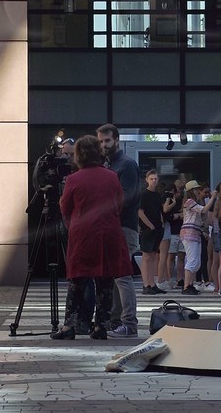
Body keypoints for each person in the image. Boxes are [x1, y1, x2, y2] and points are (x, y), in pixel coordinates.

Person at [54, 135, 136, 340]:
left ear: (79, 155)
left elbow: (65, 208)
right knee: (105, 280)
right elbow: (118, 204)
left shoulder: (74, 178)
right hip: (109, 233)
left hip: (83, 234)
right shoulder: (111, 176)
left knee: (77, 281)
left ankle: (70, 326)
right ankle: (101, 326)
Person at [96, 124, 141, 337]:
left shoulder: (127, 165)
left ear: (117, 140)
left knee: (121, 275)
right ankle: (117, 321)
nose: (104, 145)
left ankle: (129, 323)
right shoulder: (108, 166)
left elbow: (126, 197)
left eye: (107, 141)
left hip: (124, 226)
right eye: (101, 142)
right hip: (114, 226)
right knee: (115, 275)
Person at [137, 169, 165, 295]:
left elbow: (160, 211)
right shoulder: (144, 194)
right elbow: (140, 212)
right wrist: (150, 225)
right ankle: (146, 284)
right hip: (148, 229)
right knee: (146, 256)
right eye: (151, 179)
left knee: (153, 256)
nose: (154, 181)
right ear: (147, 180)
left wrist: (160, 223)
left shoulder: (157, 195)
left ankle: (152, 283)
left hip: (158, 228)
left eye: (155, 179)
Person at [179, 181, 209, 294]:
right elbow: (204, 210)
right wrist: (212, 199)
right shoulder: (189, 202)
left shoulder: (192, 202)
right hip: (189, 233)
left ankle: (190, 284)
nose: (198, 191)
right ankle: (187, 286)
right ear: (191, 191)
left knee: (196, 261)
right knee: (192, 260)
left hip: (194, 232)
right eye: (196, 189)